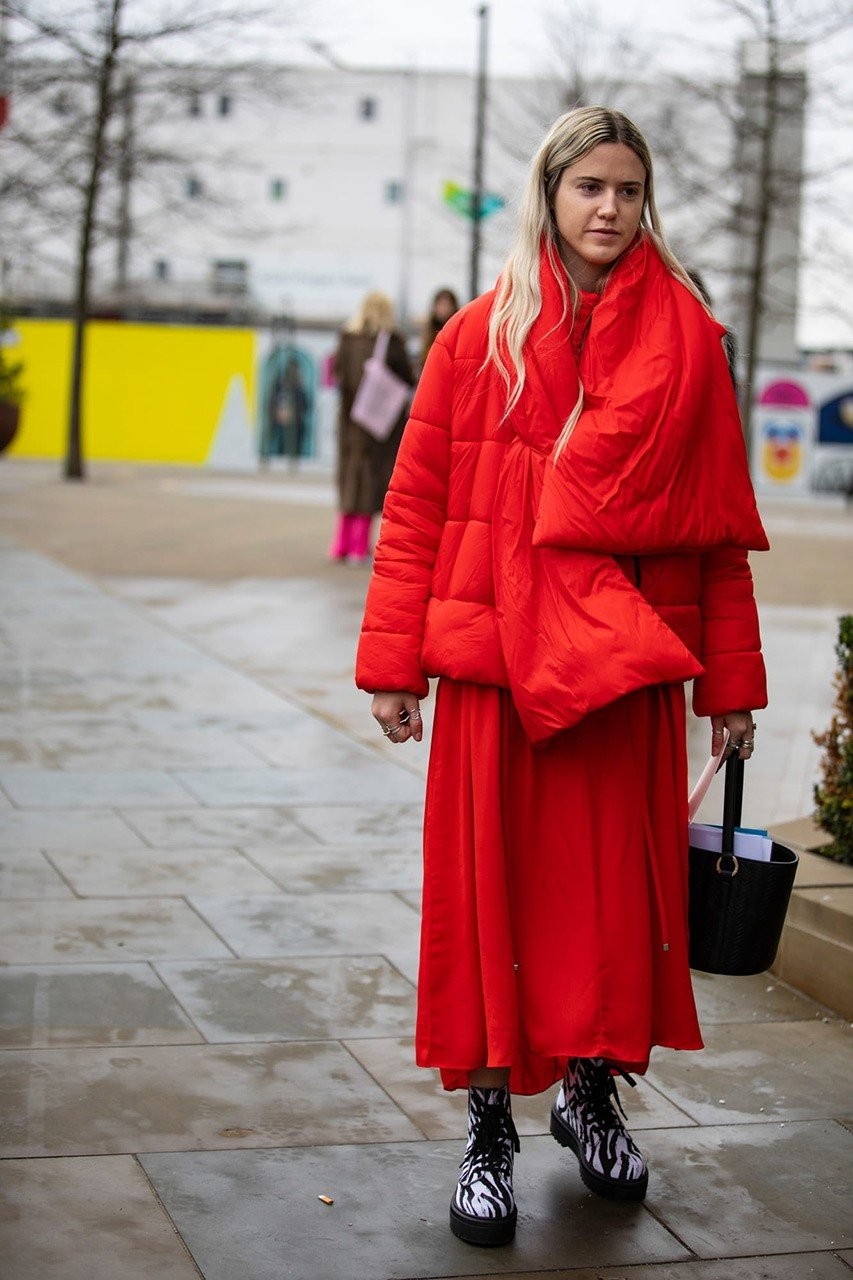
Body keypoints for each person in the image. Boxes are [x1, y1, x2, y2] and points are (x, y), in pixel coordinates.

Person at [355, 106, 768, 1247]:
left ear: (647, 203)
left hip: (624, 674)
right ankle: (488, 1121)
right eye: (588, 185)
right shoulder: (475, 338)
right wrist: (392, 662)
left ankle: (589, 1092)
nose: (608, 208)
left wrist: (728, 682)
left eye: (628, 190)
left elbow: (718, 532)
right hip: (495, 670)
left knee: (605, 907)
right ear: (549, 192)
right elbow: (416, 506)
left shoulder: (687, 343)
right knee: (491, 903)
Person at [330, 291, 415, 564]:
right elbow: (408, 379)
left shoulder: (346, 339)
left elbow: (337, 375)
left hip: (350, 422)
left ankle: (340, 544)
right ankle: (359, 546)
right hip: (381, 425)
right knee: (371, 480)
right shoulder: (392, 342)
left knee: (349, 478)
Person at [420, 287, 460, 371]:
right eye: (440, 304)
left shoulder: (458, 332)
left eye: (446, 304)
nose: (442, 309)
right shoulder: (429, 332)